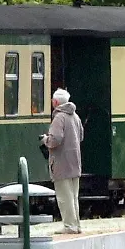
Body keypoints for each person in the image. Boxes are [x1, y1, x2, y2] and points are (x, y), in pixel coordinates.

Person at [43, 88, 85, 234]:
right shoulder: (75, 117)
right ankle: (77, 225)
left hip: (61, 163)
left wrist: (45, 139)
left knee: (64, 197)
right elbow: (81, 137)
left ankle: (69, 226)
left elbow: (55, 139)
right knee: (73, 196)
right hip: (75, 161)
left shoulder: (59, 118)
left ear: (55, 102)